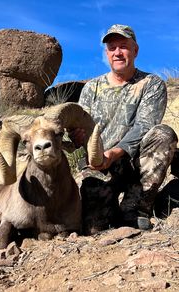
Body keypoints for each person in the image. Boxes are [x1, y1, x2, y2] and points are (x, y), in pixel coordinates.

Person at [71, 24, 178, 233]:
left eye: (123, 46)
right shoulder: (91, 88)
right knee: (95, 226)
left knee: (163, 134)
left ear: (135, 50)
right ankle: (114, 205)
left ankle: (136, 208)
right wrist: (76, 137)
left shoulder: (151, 83)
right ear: (106, 53)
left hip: (136, 163)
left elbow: (145, 125)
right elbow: (78, 129)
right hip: (100, 165)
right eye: (112, 48)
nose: (117, 53)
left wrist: (114, 152)